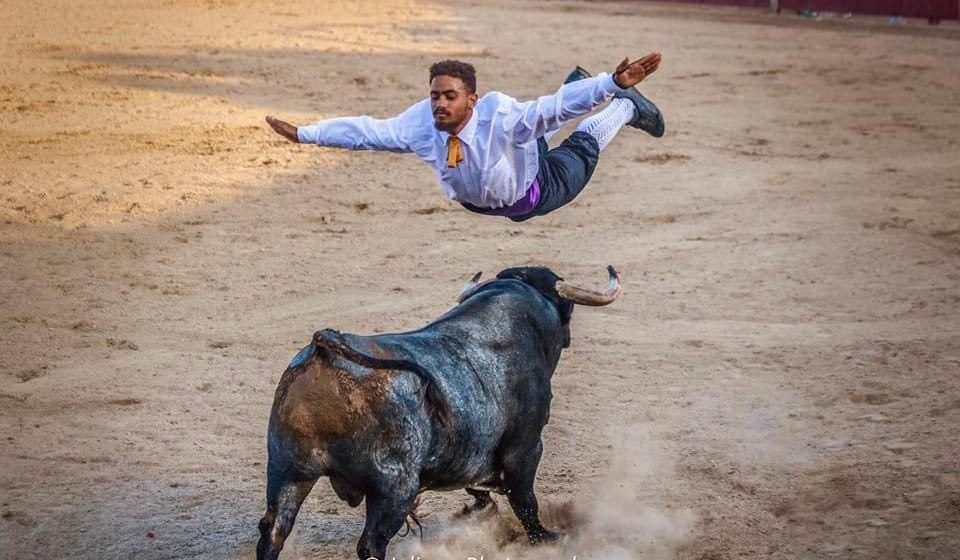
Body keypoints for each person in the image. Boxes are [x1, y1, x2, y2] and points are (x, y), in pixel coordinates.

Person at [266, 53, 664, 222]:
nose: (439, 104)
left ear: (472, 100)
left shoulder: (504, 118)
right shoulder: (421, 123)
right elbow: (366, 132)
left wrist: (610, 84)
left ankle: (625, 106)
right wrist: (305, 134)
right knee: (532, 135)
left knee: (578, 146)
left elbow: (554, 109)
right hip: (502, 175)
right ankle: (588, 88)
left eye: (450, 97)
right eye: (435, 95)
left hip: (535, 191)